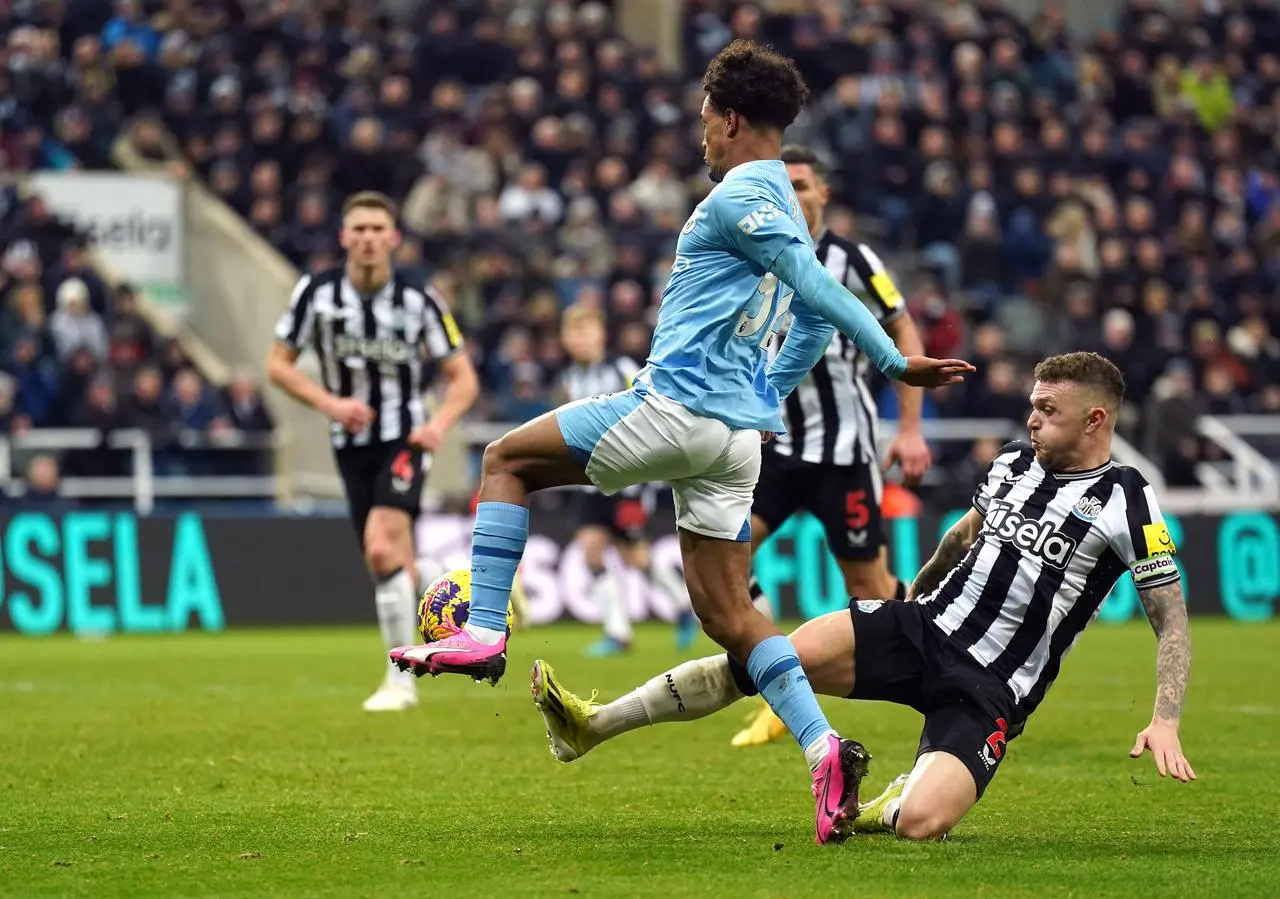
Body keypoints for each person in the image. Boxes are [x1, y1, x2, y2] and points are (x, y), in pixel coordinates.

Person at [390, 40, 972, 844]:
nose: (702, 136)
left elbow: (816, 291)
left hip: (674, 408)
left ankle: (484, 627)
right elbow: (804, 312)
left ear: (731, 120)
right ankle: (823, 746)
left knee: (506, 460)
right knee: (732, 615)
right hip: (737, 441)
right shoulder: (783, 209)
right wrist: (768, 389)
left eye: (705, 121)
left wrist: (890, 360)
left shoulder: (742, 195)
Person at [530, 353, 1196, 842]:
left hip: (992, 686)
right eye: (1033, 404)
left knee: (921, 824)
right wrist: (914, 596)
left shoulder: (1129, 499)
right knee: (771, 656)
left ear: (1096, 418)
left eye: (1048, 410)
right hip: (921, 627)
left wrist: (1164, 717)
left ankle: (894, 798)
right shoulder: (1012, 465)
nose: (1032, 418)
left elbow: (1171, 621)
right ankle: (594, 725)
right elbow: (962, 537)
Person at [733, 144, 933, 748]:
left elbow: (900, 324)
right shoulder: (753, 253)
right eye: (783, 184)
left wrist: (910, 427)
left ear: (823, 194)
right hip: (777, 449)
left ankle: (948, 639)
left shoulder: (852, 258)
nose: (793, 195)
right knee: (724, 557)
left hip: (844, 452)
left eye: (802, 184)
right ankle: (781, 678)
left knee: (871, 592)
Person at [267, 191, 480, 713]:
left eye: (376, 229)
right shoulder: (315, 293)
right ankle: (442, 583)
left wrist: (436, 427)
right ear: (344, 237)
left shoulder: (419, 299)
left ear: (393, 238)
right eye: (357, 228)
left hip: (404, 438)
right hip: (349, 444)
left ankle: (399, 681)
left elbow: (463, 379)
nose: (367, 238)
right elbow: (278, 363)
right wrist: (329, 403)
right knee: (384, 559)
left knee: (382, 548)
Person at [555, 303, 698, 657]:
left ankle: (683, 605)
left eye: (585, 331)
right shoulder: (568, 379)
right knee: (591, 549)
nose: (579, 340)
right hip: (590, 480)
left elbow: (649, 409)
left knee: (635, 555)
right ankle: (618, 632)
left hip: (628, 480)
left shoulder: (622, 369)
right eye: (573, 333)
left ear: (601, 335)